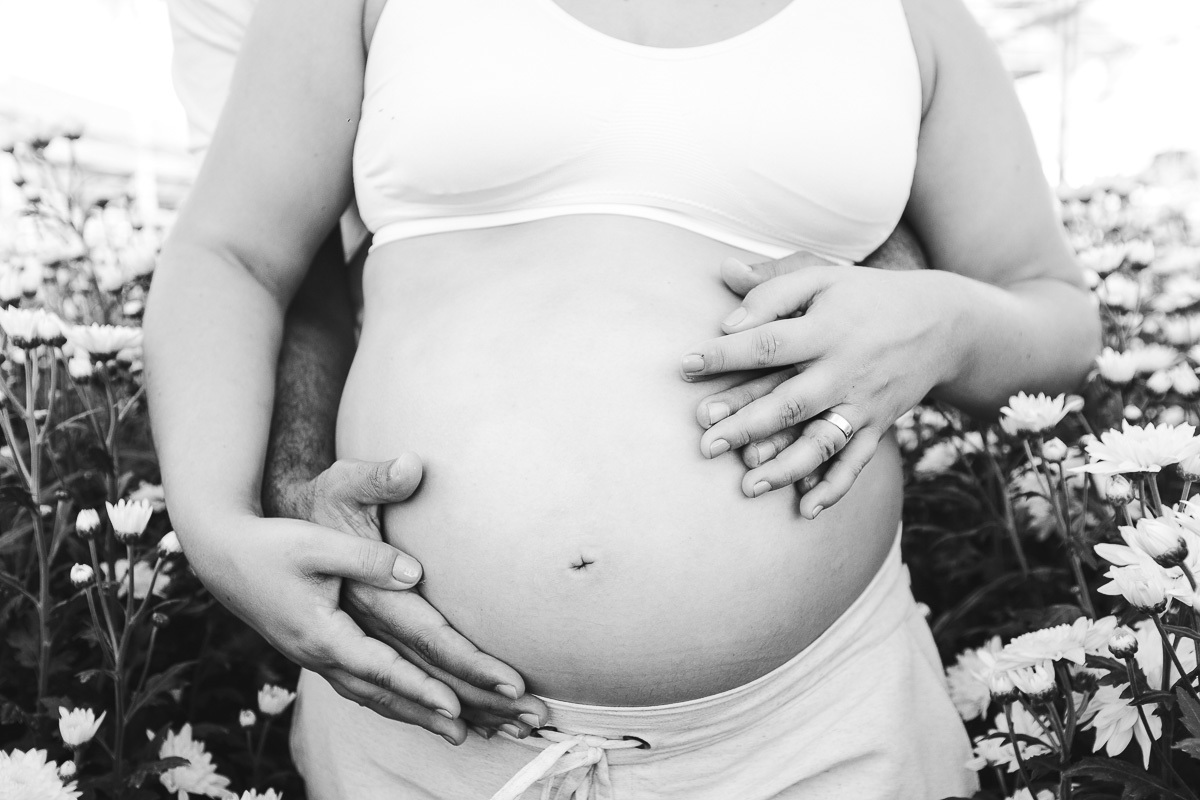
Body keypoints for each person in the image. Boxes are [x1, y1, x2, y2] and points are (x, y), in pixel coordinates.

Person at [145, 0, 1101, 798]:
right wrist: (216, 526)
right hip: (421, 730)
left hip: (822, 729)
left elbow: (1053, 312)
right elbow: (232, 254)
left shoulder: (906, 15)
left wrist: (940, 322)